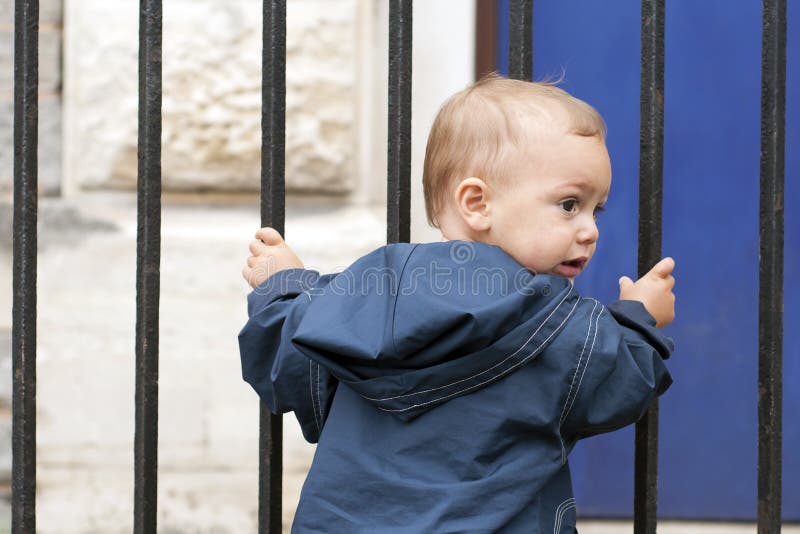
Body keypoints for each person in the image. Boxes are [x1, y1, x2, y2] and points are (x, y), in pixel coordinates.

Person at [238, 74, 676, 533]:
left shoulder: (366, 291)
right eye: (569, 204)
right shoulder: (559, 322)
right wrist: (640, 318)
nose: (590, 230)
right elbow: (619, 383)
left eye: (595, 209)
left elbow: (289, 360)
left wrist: (284, 284)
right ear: (477, 203)